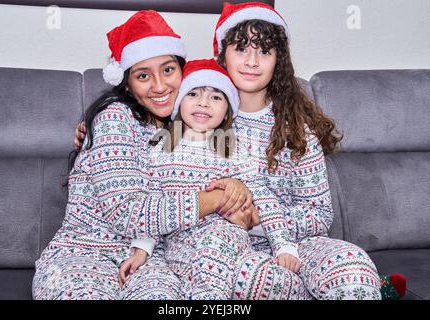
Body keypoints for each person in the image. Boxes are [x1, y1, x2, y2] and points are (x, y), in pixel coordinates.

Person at [33, 10, 256, 300]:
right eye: (143, 76)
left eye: (168, 70)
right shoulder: (115, 117)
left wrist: (237, 187)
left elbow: (222, 171)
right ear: (126, 82)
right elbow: (127, 213)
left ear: (183, 72)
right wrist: (216, 200)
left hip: (154, 261)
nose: (160, 86)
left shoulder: (185, 126)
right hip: (85, 253)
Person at [210, 1, 406, 300]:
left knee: (352, 268)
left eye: (264, 51)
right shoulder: (196, 119)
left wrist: (260, 220)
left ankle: (370, 287)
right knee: (263, 281)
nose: (252, 61)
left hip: (301, 244)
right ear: (222, 53)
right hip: (227, 251)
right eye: (242, 48)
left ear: (279, 61)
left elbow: (319, 215)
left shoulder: (297, 130)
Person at [119, 58, 300, 299]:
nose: (204, 103)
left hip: (226, 239)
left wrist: (284, 245)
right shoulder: (160, 145)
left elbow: (264, 198)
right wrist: (141, 249)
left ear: (227, 109)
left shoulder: (232, 148)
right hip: (179, 246)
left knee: (219, 251)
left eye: (216, 97)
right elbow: (152, 200)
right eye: (193, 94)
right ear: (179, 101)